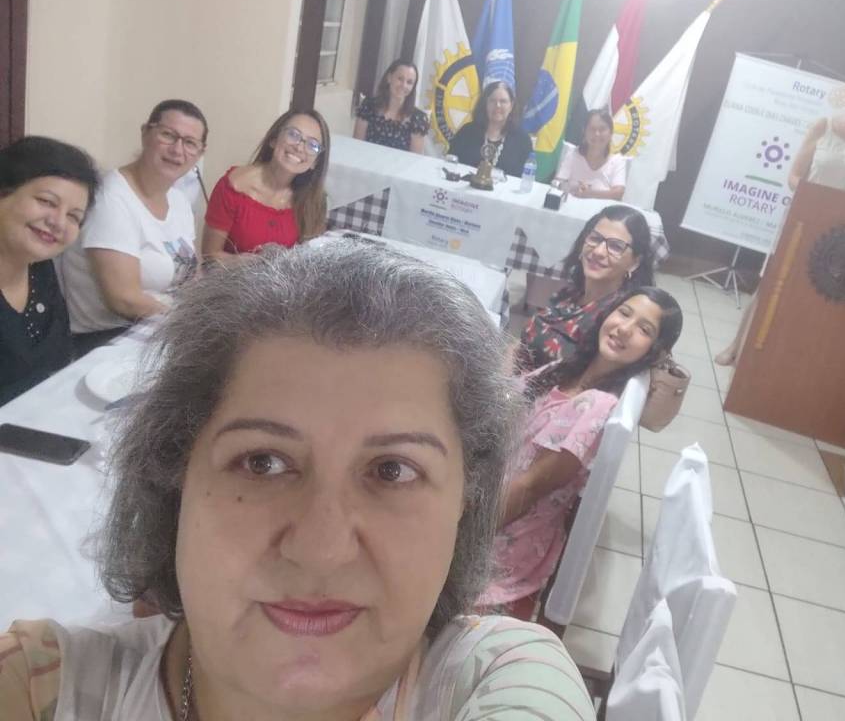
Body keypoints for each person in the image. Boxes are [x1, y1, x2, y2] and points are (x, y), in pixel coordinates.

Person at [0, 242, 596, 721]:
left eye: (393, 471)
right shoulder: (39, 685)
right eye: (263, 462)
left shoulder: (501, 676)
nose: (321, 549)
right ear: (173, 477)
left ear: (467, 500)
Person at [481, 287, 683, 611]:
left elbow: (530, 487)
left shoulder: (596, 406)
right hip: (488, 493)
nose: (624, 329)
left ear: (655, 351)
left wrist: (462, 527)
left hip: (500, 536)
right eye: (624, 313)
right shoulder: (569, 369)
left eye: (644, 330)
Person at [714, 67, 845, 366]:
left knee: (815, 295)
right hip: (804, 221)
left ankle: (786, 357)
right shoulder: (822, 126)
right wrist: (820, 200)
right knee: (772, 284)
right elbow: (794, 176)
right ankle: (736, 346)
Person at [59, 99, 207, 355]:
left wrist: (209, 313)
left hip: (160, 328)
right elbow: (123, 299)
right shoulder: (111, 198)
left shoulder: (179, 200)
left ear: (200, 153)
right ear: (145, 133)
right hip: (107, 338)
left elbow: (194, 274)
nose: (177, 150)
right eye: (168, 135)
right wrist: (189, 324)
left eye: (190, 143)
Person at [0, 137, 99, 405]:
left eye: (73, 216)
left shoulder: (41, 269)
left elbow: (58, 364)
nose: (58, 223)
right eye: (46, 201)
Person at [518, 204, 655, 372]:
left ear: (635, 262)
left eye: (616, 247)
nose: (598, 251)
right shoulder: (571, 293)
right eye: (595, 238)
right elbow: (521, 345)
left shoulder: (616, 319)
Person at [202, 109, 330, 261]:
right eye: (293, 134)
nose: (299, 147)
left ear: (316, 162)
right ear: (274, 139)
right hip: (231, 276)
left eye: (312, 145)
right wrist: (252, 263)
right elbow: (209, 257)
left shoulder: (314, 201)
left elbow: (310, 259)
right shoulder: (233, 187)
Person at [447, 81, 533, 178]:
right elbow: (450, 164)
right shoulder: (467, 132)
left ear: (511, 106)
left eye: (503, 101)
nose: (498, 105)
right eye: (492, 100)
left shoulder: (522, 140)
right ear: (485, 104)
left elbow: (524, 178)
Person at [353, 59, 429, 153]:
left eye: (409, 82)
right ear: (389, 78)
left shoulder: (418, 119)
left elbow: (415, 159)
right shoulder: (368, 107)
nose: (404, 85)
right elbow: (356, 148)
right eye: (400, 79)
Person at [553, 109, 627, 200]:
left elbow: (618, 193)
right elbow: (558, 182)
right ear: (584, 131)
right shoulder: (573, 154)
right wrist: (575, 188)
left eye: (602, 129)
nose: (597, 134)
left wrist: (589, 193)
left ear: (611, 133)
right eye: (592, 129)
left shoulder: (617, 161)